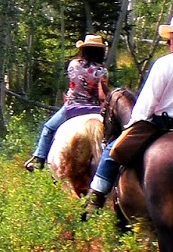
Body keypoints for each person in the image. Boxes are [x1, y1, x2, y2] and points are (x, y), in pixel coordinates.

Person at [86, 13, 173, 208]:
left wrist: (132, 126)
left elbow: (146, 106)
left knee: (111, 150)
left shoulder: (165, 64)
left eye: (168, 41)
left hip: (162, 127)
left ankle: (96, 197)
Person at [24, 34, 111, 171]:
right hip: (95, 109)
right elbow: (101, 95)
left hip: (72, 108)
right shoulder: (102, 70)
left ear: (84, 49)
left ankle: (39, 158)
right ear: (100, 52)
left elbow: (74, 84)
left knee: (48, 128)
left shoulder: (73, 65)